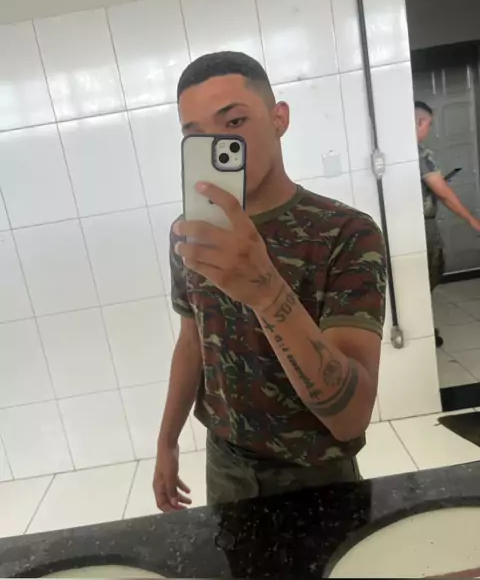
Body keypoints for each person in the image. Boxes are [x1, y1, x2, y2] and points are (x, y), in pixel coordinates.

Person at [153, 51, 386, 510]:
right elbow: (192, 339)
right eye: (196, 135)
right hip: (227, 465)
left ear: (279, 119)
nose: (219, 145)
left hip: (318, 471)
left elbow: (350, 417)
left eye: (234, 122)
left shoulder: (346, 234)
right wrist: (167, 441)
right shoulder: (191, 233)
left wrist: (265, 289)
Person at [415, 100, 480, 348]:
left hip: (407, 226)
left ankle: (420, 329)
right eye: (428, 124)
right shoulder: (420, 154)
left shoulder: (400, 153)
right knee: (429, 274)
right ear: (419, 122)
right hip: (423, 227)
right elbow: (444, 194)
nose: (428, 130)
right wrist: (472, 220)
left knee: (419, 278)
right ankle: (422, 330)